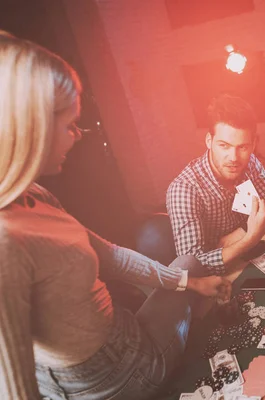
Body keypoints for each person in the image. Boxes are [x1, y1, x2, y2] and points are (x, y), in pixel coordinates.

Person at [0, 32, 231, 400]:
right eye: (69, 125)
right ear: (30, 128)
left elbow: (110, 255)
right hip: (123, 377)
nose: (77, 136)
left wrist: (190, 283)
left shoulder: (34, 193)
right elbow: (12, 386)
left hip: (122, 336)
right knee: (192, 265)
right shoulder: (6, 242)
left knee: (188, 268)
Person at [167, 95, 265, 276]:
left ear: (253, 144)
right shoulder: (184, 189)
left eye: (243, 147)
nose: (234, 158)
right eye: (224, 146)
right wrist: (249, 239)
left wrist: (243, 232)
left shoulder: (249, 163)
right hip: (213, 279)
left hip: (248, 257)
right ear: (209, 141)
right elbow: (192, 266)